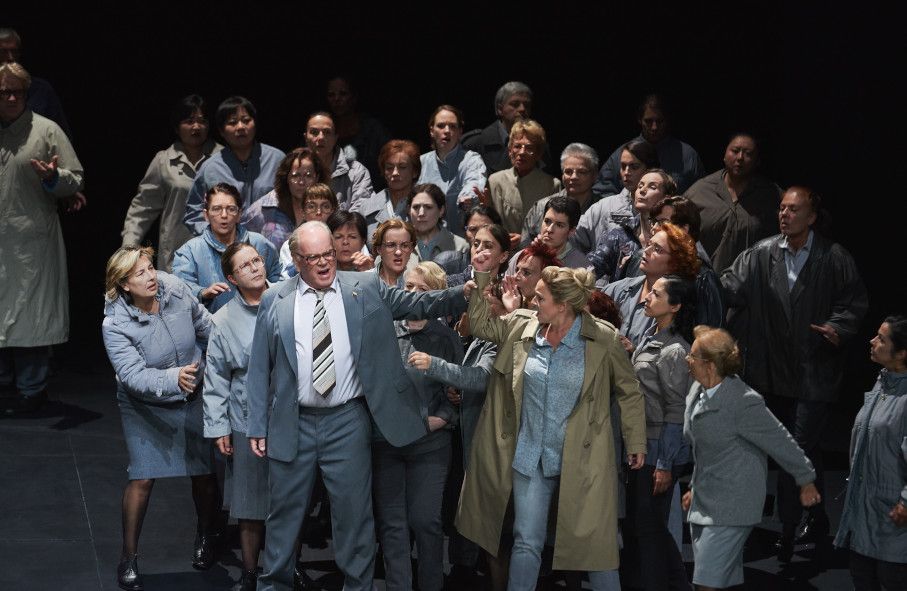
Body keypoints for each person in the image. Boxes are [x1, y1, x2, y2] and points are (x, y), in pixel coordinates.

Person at [244, 221, 468, 590]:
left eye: (328, 254)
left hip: (346, 421)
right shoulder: (275, 298)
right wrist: (256, 424)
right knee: (284, 517)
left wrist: (465, 292)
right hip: (293, 420)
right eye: (313, 257)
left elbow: (418, 302)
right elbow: (259, 366)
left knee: (354, 519)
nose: (323, 263)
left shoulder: (363, 287)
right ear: (298, 259)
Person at [455, 265, 647, 589]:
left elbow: (630, 391)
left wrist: (636, 442)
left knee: (595, 548)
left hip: (583, 459)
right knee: (526, 541)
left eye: (540, 298)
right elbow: (479, 325)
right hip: (531, 455)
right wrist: (482, 283)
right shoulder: (522, 325)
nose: (533, 301)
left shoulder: (603, 337)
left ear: (562, 305)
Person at [721, 186, 869, 561]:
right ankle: (814, 516)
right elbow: (728, 287)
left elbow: (853, 302)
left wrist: (837, 328)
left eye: (794, 209)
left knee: (796, 447)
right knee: (799, 448)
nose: (784, 215)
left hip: (812, 370)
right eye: (782, 209)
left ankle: (788, 529)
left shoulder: (832, 257)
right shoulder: (762, 253)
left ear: (812, 216)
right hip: (770, 370)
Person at [101, 246, 220, 591]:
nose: (151, 276)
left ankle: (206, 535)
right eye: (139, 273)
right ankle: (129, 556)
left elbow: (206, 325)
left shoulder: (175, 289)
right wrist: (172, 379)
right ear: (123, 284)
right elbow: (132, 375)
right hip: (144, 405)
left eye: (150, 268)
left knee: (203, 470)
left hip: (192, 391)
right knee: (143, 477)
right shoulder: (115, 324)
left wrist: (218, 360)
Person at [683, 326, 819, 590]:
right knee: (716, 581)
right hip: (705, 501)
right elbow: (705, 450)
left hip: (733, 504)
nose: (687, 360)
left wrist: (806, 479)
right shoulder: (696, 391)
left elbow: (780, 441)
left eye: (692, 357)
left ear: (710, 365)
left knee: (706, 584)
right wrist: (693, 488)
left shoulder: (744, 402)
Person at [373, 261, 464, 591]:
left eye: (421, 290)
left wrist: (441, 419)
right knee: (392, 525)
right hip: (388, 443)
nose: (412, 295)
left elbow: (459, 388)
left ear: (437, 296)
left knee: (426, 522)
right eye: (408, 287)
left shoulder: (447, 338)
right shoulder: (383, 330)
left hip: (431, 443)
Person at [0, 62, 84, 414]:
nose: (11, 97)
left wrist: (54, 179)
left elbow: (75, 179)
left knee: (30, 314)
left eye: (17, 90)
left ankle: (31, 390)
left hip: (32, 239)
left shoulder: (46, 130)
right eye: (4, 91)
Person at [202, 242, 270, 591]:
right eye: (246, 266)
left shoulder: (289, 301)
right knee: (250, 499)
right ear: (232, 278)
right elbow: (216, 378)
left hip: (291, 416)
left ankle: (288, 566)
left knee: (292, 498)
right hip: (246, 418)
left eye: (257, 260)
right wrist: (219, 427)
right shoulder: (224, 320)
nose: (256, 267)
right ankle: (249, 571)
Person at [623, 275, 695, 591]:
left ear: (675, 306)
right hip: (646, 444)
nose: (647, 297)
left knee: (650, 529)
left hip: (659, 449)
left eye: (656, 293)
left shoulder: (675, 351)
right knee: (648, 527)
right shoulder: (651, 336)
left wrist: (665, 463)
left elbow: (676, 412)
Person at [835, 316, 907, 590]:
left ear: (901, 353)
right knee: (862, 578)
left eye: (881, 338)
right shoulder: (883, 384)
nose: (872, 341)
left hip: (893, 520)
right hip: (867, 512)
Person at [121, 94, 222, 271]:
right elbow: (142, 209)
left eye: (202, 120)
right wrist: (128, 247)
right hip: (176, 254)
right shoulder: (164, 160)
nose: (196, 126)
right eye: (189, 121)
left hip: (219, 251)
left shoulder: (223, 158)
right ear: (177, 127)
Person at [172, 183, 281, 313]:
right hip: (210, 326)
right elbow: (179, 291)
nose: (224, 215)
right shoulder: (189, 251)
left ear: (239, 214)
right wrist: (203, 293)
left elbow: (279, 280)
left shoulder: (260, 243)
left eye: (231, 209)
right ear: (206, 215)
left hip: (261, 320)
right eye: (217, 209)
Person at [184, 96, 285, 235]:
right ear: (221, 131)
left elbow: (295, 201)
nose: (240, 127)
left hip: (272, 246)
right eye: (232, 122)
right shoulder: (210, 168)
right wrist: (215, 237)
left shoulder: (278, 160)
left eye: (246, 121)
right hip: (226, 249)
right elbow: (194, 214)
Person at [685, 133, 782, 272]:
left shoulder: (771, 195)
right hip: (702, 281)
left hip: (749, 284)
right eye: (735, 151)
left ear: (757, 161)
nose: (740, 158)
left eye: (748, 153)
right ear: (725, 155)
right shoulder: (700, 191)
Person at [604, 223, 701, 348]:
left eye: (657, 249)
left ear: (675, 262)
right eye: (649, 244)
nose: (646, 251)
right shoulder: (616, 289)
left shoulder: (674, 308)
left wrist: (633, 353)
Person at [594, 94, 704, 196]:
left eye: (659, 121)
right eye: (649, 121)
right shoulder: (623, 153)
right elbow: (602, 189)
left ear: (668, 120)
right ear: (640, 120)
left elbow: (701, 194)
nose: (654, 127)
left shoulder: (687, 155)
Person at [588, 168, 675, 284]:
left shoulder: (676, 238)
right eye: (640, 186)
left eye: (652, 187)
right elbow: (591, 266)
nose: (642, 190)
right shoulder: (619, 235)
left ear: (667, 198)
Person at [573, 140, 660, 255]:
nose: (627, 172)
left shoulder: (669, 210)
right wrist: (587, 270)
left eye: (634, 167)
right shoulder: (603, 207)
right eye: (623, 166)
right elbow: (572, 241)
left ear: (650, 169)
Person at [241, 147, 329, 251]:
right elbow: (239, 241)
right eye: (295, 176)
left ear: (317, 177)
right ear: (286, 177)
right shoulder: (264, 208)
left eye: (308, 176)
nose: (301, 182)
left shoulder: (327, 206)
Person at [418, 105, 487, 236]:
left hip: (461, 242)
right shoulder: (421, 162)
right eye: (441, 126)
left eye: (453, 126)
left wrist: (466, 199)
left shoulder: (471, 159)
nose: (447, 130)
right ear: (432, 131)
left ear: (460, 132)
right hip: (426, 240)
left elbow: (474, 183)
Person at [487, 119, 561, 235]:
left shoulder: (551, 185)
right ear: (510, 150)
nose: (522, 152)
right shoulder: (495, 181)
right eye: (517, 146)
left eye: (529, 148)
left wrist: (524, 240)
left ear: (538, 154)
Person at [522, 143, 601, 247]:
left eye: (582, 172)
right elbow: (524, 248)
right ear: (562, 175)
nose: (574, 177)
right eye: (568, 172)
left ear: (594, 175)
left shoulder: (602, 209)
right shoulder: (541, 207)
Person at [462, 81, 550, 174]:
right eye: (515, 104)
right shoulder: (475, 143)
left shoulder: (538, 143)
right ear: (500, 109)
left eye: (527, 105)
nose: (522, 109)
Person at [325, 75, 391, 189]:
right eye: (331, 95)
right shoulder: (322, 131)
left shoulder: (373, 130)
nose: (337, 99)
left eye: (343, 94)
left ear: (354, 97)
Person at [303, 111, 373, 212]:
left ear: (335, 138)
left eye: (327, 132)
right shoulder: (294, 170)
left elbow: (361, 214)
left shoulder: (356, 172)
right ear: (306, 137)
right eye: (314, 132)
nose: (321, 137)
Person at [356, 139, 421, 240]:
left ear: (415, 172)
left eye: (402, 167)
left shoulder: (426, 207)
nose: (395, 173)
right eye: (389, 167)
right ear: (383, 171)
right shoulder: (366, 208)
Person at [277, 183, 342, 277]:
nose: (319, 212)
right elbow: (287, 279)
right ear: (303, 211)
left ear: (333, 210)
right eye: (311, 207)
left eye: (325, 206)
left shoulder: (345, 240)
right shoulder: (289, 246)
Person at [510, 196, 588, 272]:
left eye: (559, 225)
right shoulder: (521, 257)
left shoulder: (581, 269)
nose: (549, 229)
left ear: (571, 231)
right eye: (547, 221)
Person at [434, 204, 504, 278]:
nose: (479, 234)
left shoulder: (512, 267)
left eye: (486, 228)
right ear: (465, 234)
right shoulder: (446, 263)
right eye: (473, 229)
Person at [409, 183, 470, 262]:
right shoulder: (399, 246)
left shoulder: (460, 247)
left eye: (428, 207)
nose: (421, 213)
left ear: (441, 210)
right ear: (408, 210)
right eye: (416, 207)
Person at [372, 219, 417, 287]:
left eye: (405, 245)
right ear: (379, 249)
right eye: (391, 245)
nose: (398, 252)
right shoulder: (364, 282)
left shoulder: (420, 284)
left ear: (411, 249)